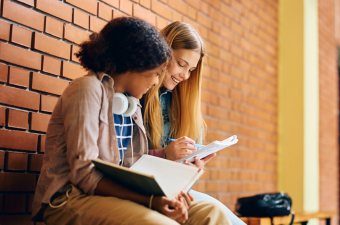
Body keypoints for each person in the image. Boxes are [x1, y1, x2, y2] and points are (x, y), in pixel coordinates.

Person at [31, 17, 231, 225]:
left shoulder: (131, 105)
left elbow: (136, 168)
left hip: (113, 197)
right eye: (154, 73)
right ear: (134, 64)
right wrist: (151, 201)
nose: (155, 81)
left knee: (212, 212)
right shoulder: (87, 89)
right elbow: (84, 172)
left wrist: (171, 192)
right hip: (69, 197)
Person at [143, 21, 246, 225]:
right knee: (217, 214)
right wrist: (167, 155)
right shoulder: (138, 94)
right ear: (163, 53)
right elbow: (123, 159)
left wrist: (192, 169)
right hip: (146, 192)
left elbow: (179, 175)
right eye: (181, 64)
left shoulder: (184, 106)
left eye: (191, 69)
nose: (185, 75)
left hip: (174, 190)